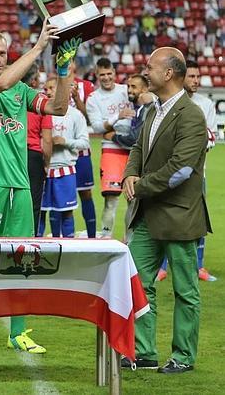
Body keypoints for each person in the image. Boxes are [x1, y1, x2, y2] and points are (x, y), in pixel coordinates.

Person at [0, 21, 79, 355]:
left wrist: (63, 70)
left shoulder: (21, 91)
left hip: (20, 185)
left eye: (1, 53)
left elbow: (59, 107)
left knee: (22, 260)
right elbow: (3, 81)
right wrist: (38, 48)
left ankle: (18, 332)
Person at [122, 47, 211, 374]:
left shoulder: (191, 114)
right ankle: (144, 352)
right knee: (138, 284)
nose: (146, 70)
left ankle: (183, 356)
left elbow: (181, 170)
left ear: (169, 73)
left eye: (151, 66)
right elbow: (137, 147)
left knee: (185, 289)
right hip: (147, 215)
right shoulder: (153, 110)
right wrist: (131, 173)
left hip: (178, 215)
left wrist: (139, 185)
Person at [156, 60, 218, 283]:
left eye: (198, 76)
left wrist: (189, 148)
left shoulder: (206, 104)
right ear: (181, 78)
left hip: (196, 174)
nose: (196, 81)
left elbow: (211, 137)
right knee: (164, 216)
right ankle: (162, 266)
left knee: (197, 220)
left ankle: (198, 266)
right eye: (192, 76)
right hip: (170, 172)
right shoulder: (168, 103)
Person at [86, 58, 133, 237]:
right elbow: (97, 127)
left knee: (133, 199)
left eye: (109, 74)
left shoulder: (126, 90)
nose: (106, 78)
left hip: (133, 149)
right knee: (111, 200)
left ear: (114, 73)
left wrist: (111, 127)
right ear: (96, 75)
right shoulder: (94, 98)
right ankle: (106, 238)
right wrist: (117, 118)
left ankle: (130, 241)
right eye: (102, 75)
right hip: (112, 150)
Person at [38, 78, 89, 239]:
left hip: (65, 169)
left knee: (66, 211)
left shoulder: (75, 115)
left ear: (63, 90)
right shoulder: (40, 112)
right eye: (46, 88)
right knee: (40, 211)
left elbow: (85, 143)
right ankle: (37, 248)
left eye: (52, 88)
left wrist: (65, 141)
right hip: (43, 170)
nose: (48, 91)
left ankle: (69, 246)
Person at [22, 64, 52, 232]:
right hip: (33, 156)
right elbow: (46, 140)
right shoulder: (42, 103)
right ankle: (28, 244)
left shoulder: (9, 96)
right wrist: (46, 163)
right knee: (33, 204)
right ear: (33, 81)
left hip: (10, 155)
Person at [70, 64, 97, 238]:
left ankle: (92, 236)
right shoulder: (51, 85)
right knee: (61, 196)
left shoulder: (86, 86)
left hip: (81, 151)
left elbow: (90, 117)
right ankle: (65, 236)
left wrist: (76, 99)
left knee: (85, 192)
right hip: (59, 152)